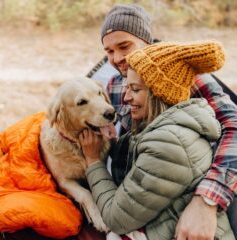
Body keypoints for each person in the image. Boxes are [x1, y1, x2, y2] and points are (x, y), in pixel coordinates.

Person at [97, 4, 237, 239]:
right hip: (144, 194)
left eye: (124, 46)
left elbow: (234, 127)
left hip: (194, 187)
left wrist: (208, 200)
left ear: (146, 41)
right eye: (109, 52)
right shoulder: (113, 85)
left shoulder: (184, 77)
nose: (117, 58)